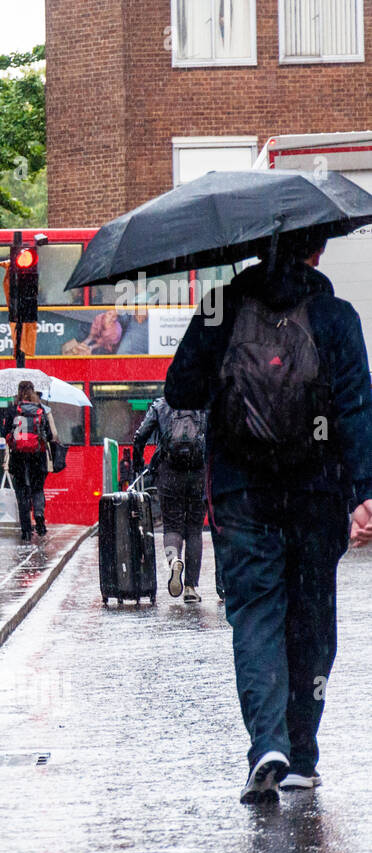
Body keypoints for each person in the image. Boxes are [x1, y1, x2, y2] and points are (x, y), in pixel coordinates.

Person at [165, 230, 372, 804]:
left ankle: (267, 746)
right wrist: (363, 491)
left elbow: (179, 389)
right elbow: (356, 406)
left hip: (241, 492)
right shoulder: (336, 314)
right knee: (311, 615)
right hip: (317, 493)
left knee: (255, 616)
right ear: (319, 250)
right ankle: (303, 755)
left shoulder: (219, 306)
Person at [132, 397, 208, 602]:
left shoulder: (161, 405)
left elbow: (140, 436)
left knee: (172, 526)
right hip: (199, 474)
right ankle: (191, 588)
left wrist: (138, 462)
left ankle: (174, 560)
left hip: (169, 473)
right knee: (194, 529)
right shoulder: (204, 404)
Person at [1, 381, 57, 543]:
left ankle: (26, 531)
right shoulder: (41, 409)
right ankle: (39, 515)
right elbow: (50, 435)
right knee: (37, 489)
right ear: (33, 392)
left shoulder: (13, 410)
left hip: (18, 456)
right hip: (37, 456)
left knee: (22, 493)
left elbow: (4, 433)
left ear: (19, 392)